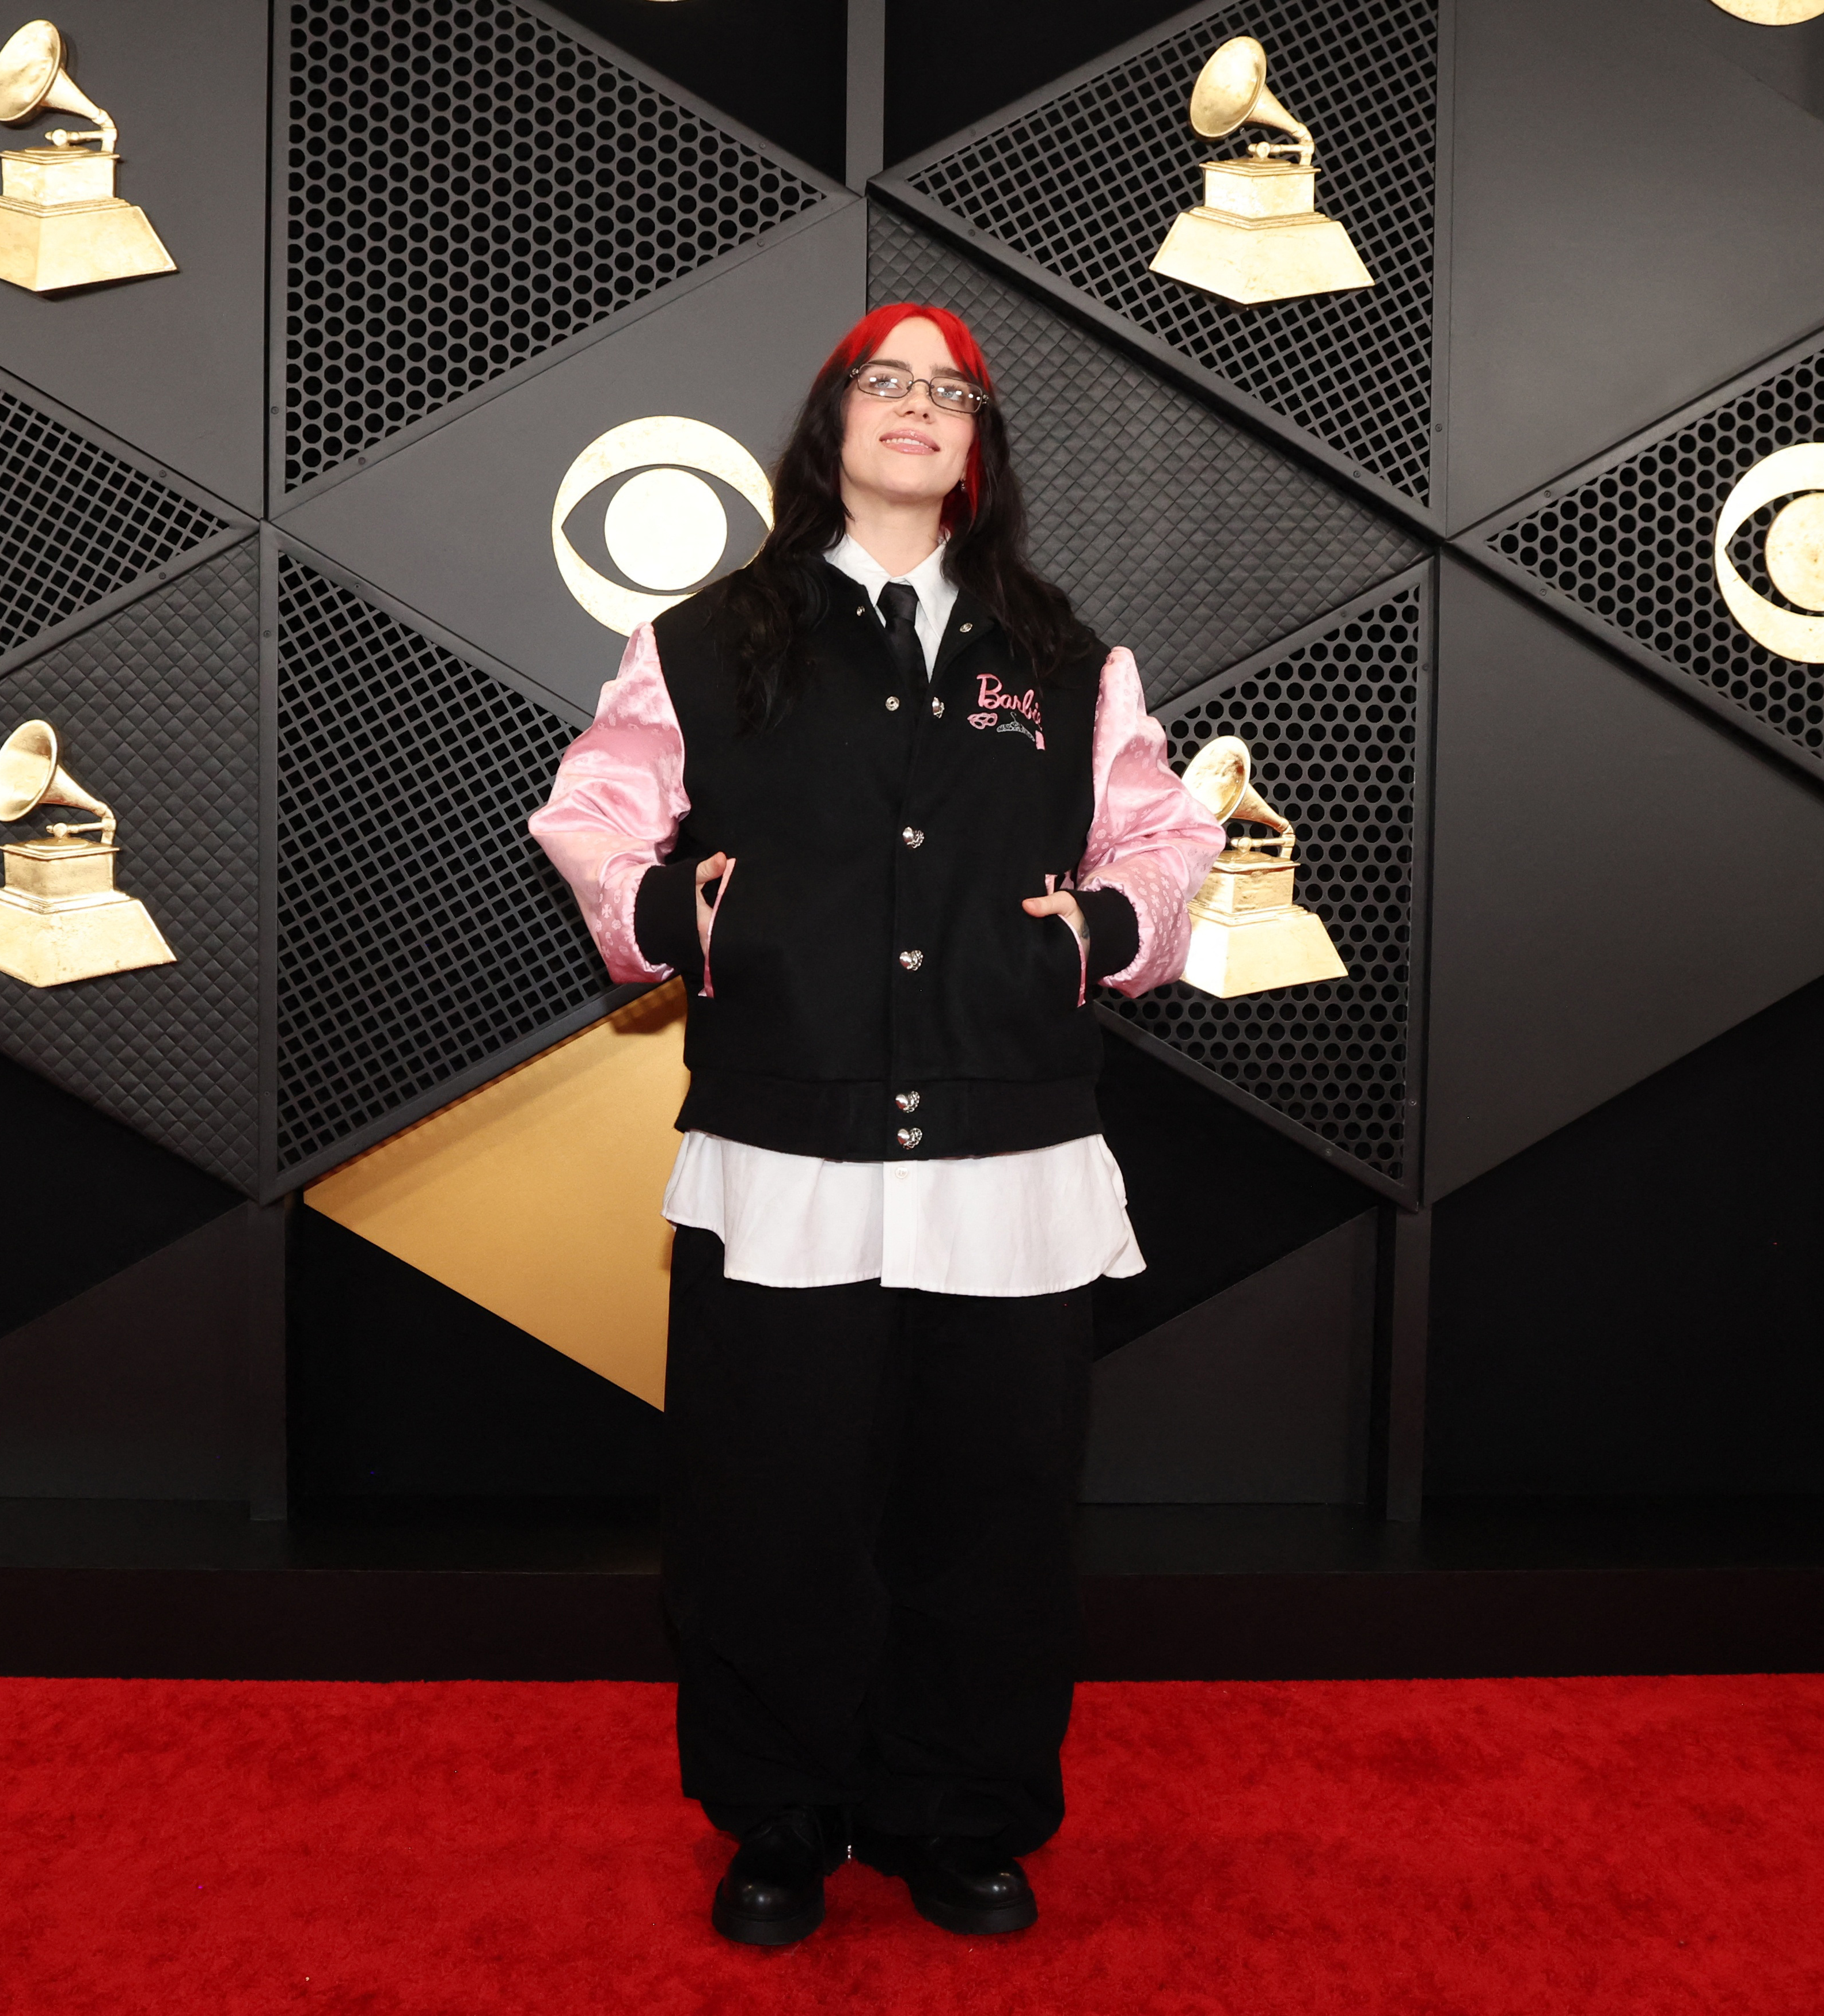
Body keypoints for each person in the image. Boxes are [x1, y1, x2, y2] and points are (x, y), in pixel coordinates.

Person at [529, 302, 1223, 1945]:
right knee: (771, 1503)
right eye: (886, 385)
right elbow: (593, 811)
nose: (918, 410)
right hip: (789, 1156)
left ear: (979, 447)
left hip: (1013, 1160)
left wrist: (1101, 935)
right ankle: (781, 1815)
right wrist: (690, 925)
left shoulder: (1069, 662)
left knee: (989, 1506)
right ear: (830, 421)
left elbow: (1168, 837)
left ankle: (960, 1810)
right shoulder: (707, 641)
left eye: (951, 394)